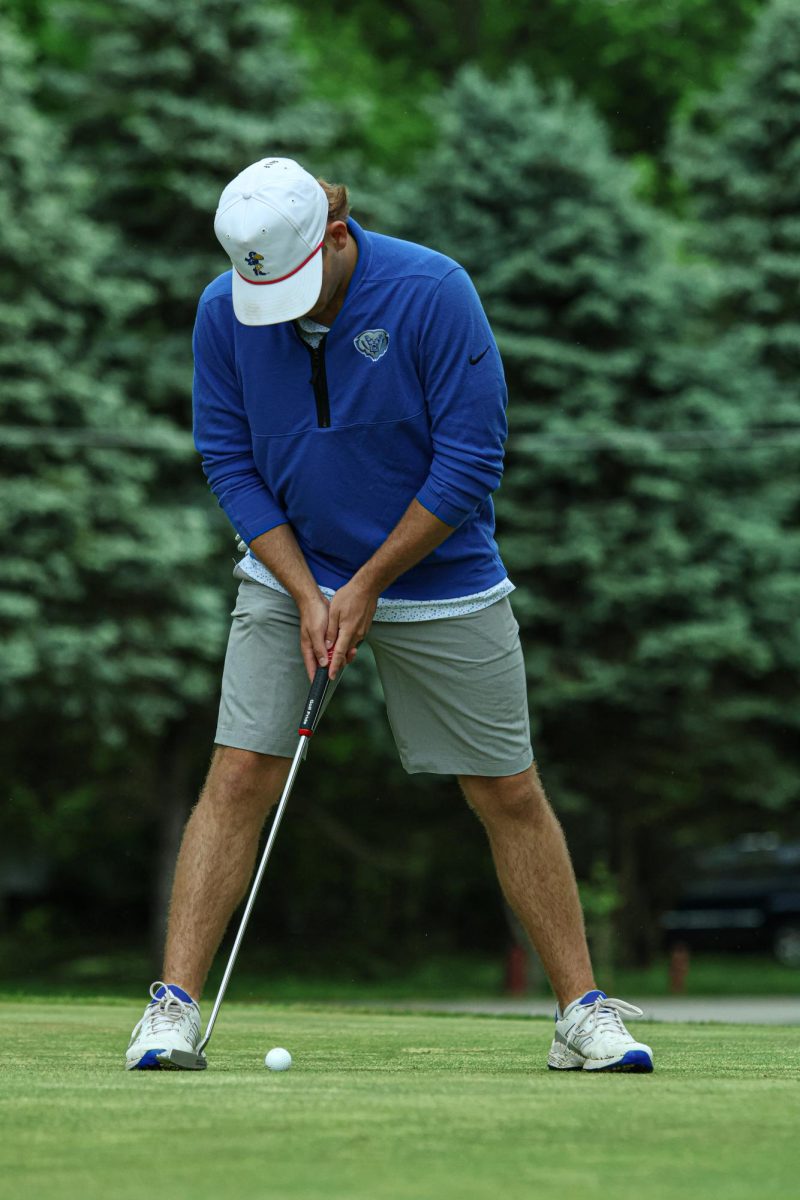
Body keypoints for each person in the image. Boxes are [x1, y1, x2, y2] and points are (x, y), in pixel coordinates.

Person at [125, 157, 653, 1073]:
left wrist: (364, 583)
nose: (280, 310)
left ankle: (582, 1011)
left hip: (440, 571)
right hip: (288, 567)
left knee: (506, 788)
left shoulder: (433, 291)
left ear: (335, 233)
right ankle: (171, 1010)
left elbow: (469, 461)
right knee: (240, 772)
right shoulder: (226, 309)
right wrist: (302, 588)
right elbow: (227, 457)